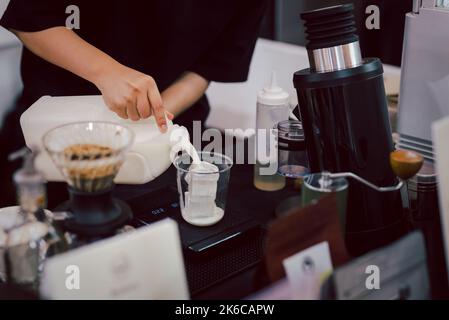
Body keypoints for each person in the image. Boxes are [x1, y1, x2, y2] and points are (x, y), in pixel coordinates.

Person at [0, 0, 268, 206]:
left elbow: (207, 67)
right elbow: (30, 19)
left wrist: (156, 115)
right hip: (61, 135)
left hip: (166, 141)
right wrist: (106, 72)